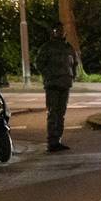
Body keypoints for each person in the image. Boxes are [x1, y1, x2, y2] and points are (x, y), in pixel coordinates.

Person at [35, 24, 77, 153]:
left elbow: (74, 63)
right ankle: (52, 141)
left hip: (65, 83)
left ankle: (57, 140)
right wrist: (49, 75)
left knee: (61, 113)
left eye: (62, 31)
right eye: (57, 31)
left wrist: (72, 76)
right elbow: (39, 63)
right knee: (53, 113)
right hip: (53, 84)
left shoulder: (68, 47)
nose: (60, 33)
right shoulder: (47, 47)